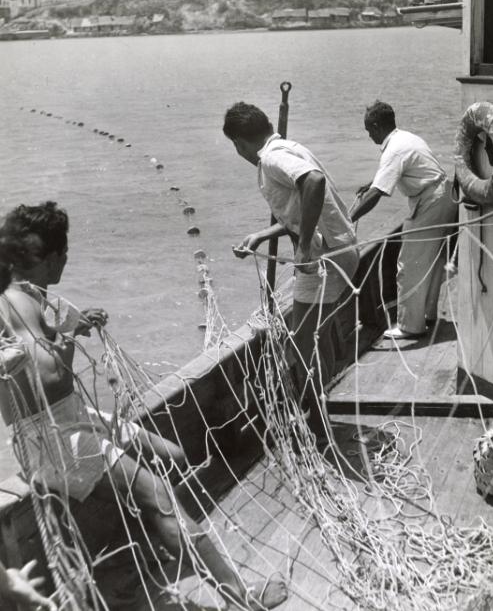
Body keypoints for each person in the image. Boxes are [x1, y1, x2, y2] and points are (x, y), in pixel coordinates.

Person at [0, 201, 287, 611]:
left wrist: (74, 326)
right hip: (52, 437)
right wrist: (67, 346)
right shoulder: (15, 302)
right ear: (51, 258)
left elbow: (45, 334)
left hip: (71, 419)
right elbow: (48, 376)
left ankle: (163, 542)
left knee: (172, 455)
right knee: (157, 493)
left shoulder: (28, 293)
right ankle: (238, 596)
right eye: (64, 255)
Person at [223, 102, 359, 438]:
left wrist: (301, 248)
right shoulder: (289, 147)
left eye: (235, 146)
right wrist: (261, 235)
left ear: (240, 142)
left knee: (302, 344)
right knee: (318, 338)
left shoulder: (270, 158)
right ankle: (321, 414)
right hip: (342, 250)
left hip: (323, 259)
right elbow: (302, 206)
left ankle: (315, 429)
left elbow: (313, 182)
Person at [350, 100, 458, 339]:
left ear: (377, 126)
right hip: (443, 196)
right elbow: (395, 174)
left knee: (409, 265)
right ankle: (427, 315)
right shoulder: (406, 138)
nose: (369, 136)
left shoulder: (394, 149)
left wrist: (349, 220)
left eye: (369, 131)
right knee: (431, 261)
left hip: (430, 201)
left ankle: (410, 326)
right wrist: (371, 183)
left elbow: (379, 193)